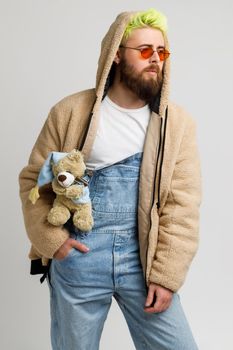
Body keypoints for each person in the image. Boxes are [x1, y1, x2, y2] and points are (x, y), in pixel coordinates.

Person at [18, 8, 202, 350]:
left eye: (161, 52)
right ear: (116, 54)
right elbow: (34, 179)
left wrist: (166, 274)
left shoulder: (177, 125)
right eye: (145, 50)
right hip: (80, 256)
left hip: (143, 260)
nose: (155, 60)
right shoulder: (71, 111)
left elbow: (183, 203)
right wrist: (53, 240)